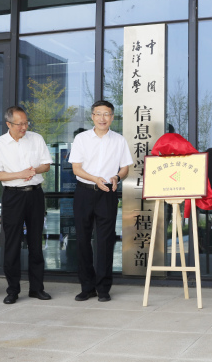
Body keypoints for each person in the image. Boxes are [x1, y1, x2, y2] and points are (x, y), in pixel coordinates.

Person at [69, 100, 132, 302]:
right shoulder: (81, 138)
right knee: (82, 240)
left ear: (112, 117)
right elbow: (76, 168)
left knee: (105, 241)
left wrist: (117, 177)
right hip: (84, 192)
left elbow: (125, 167)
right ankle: (87, 287)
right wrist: (95, 179)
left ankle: (103, 288)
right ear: (92, 116)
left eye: (107, 114)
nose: (102, 118)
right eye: (98, 114)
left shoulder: (119, 140)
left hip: (108, 193)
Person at [0, 106, 53, 304]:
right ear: (8, 124)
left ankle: (37, 288)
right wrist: (21, 174)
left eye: (26, 123)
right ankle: (12, 290)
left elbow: (46, 165)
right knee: (12, 244)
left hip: (35, 194)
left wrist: (33, 171)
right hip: (13, 196)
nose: (24, 127)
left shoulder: (36, 138)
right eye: (20, 124)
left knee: (36, 242)